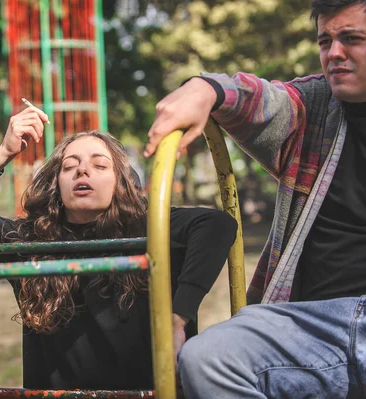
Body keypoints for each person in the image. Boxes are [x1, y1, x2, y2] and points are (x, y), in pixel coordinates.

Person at [0, 105, 237, 390]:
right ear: (56, 183)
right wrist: (3, 153)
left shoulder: (149, 229)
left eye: (100, 166)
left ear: (121, 182)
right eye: (69, 166)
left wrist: (178, 317)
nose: (82, 171)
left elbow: (218, 225)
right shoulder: (31, 239)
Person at [144, 0, 366, 397]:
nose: (334, 53)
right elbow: (261, 100)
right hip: (311, 324)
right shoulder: (315, 108)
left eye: (351, 39)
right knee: (207, 359)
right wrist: (204, 88)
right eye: (325, 40)